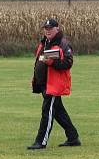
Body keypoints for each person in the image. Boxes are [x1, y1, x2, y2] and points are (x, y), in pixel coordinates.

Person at [28, 18, 81, 150]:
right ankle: (73, 137)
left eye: (50, 28)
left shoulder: (63, 44)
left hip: (54, 85)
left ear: (57, 29)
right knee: (58, 112)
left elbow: (68, 64)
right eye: (46, 28)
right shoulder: (45, 42)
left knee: (47, 112)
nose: (47, 31)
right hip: (44, 83)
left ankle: (41, 142)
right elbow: (39, 60)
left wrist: (51, 62)